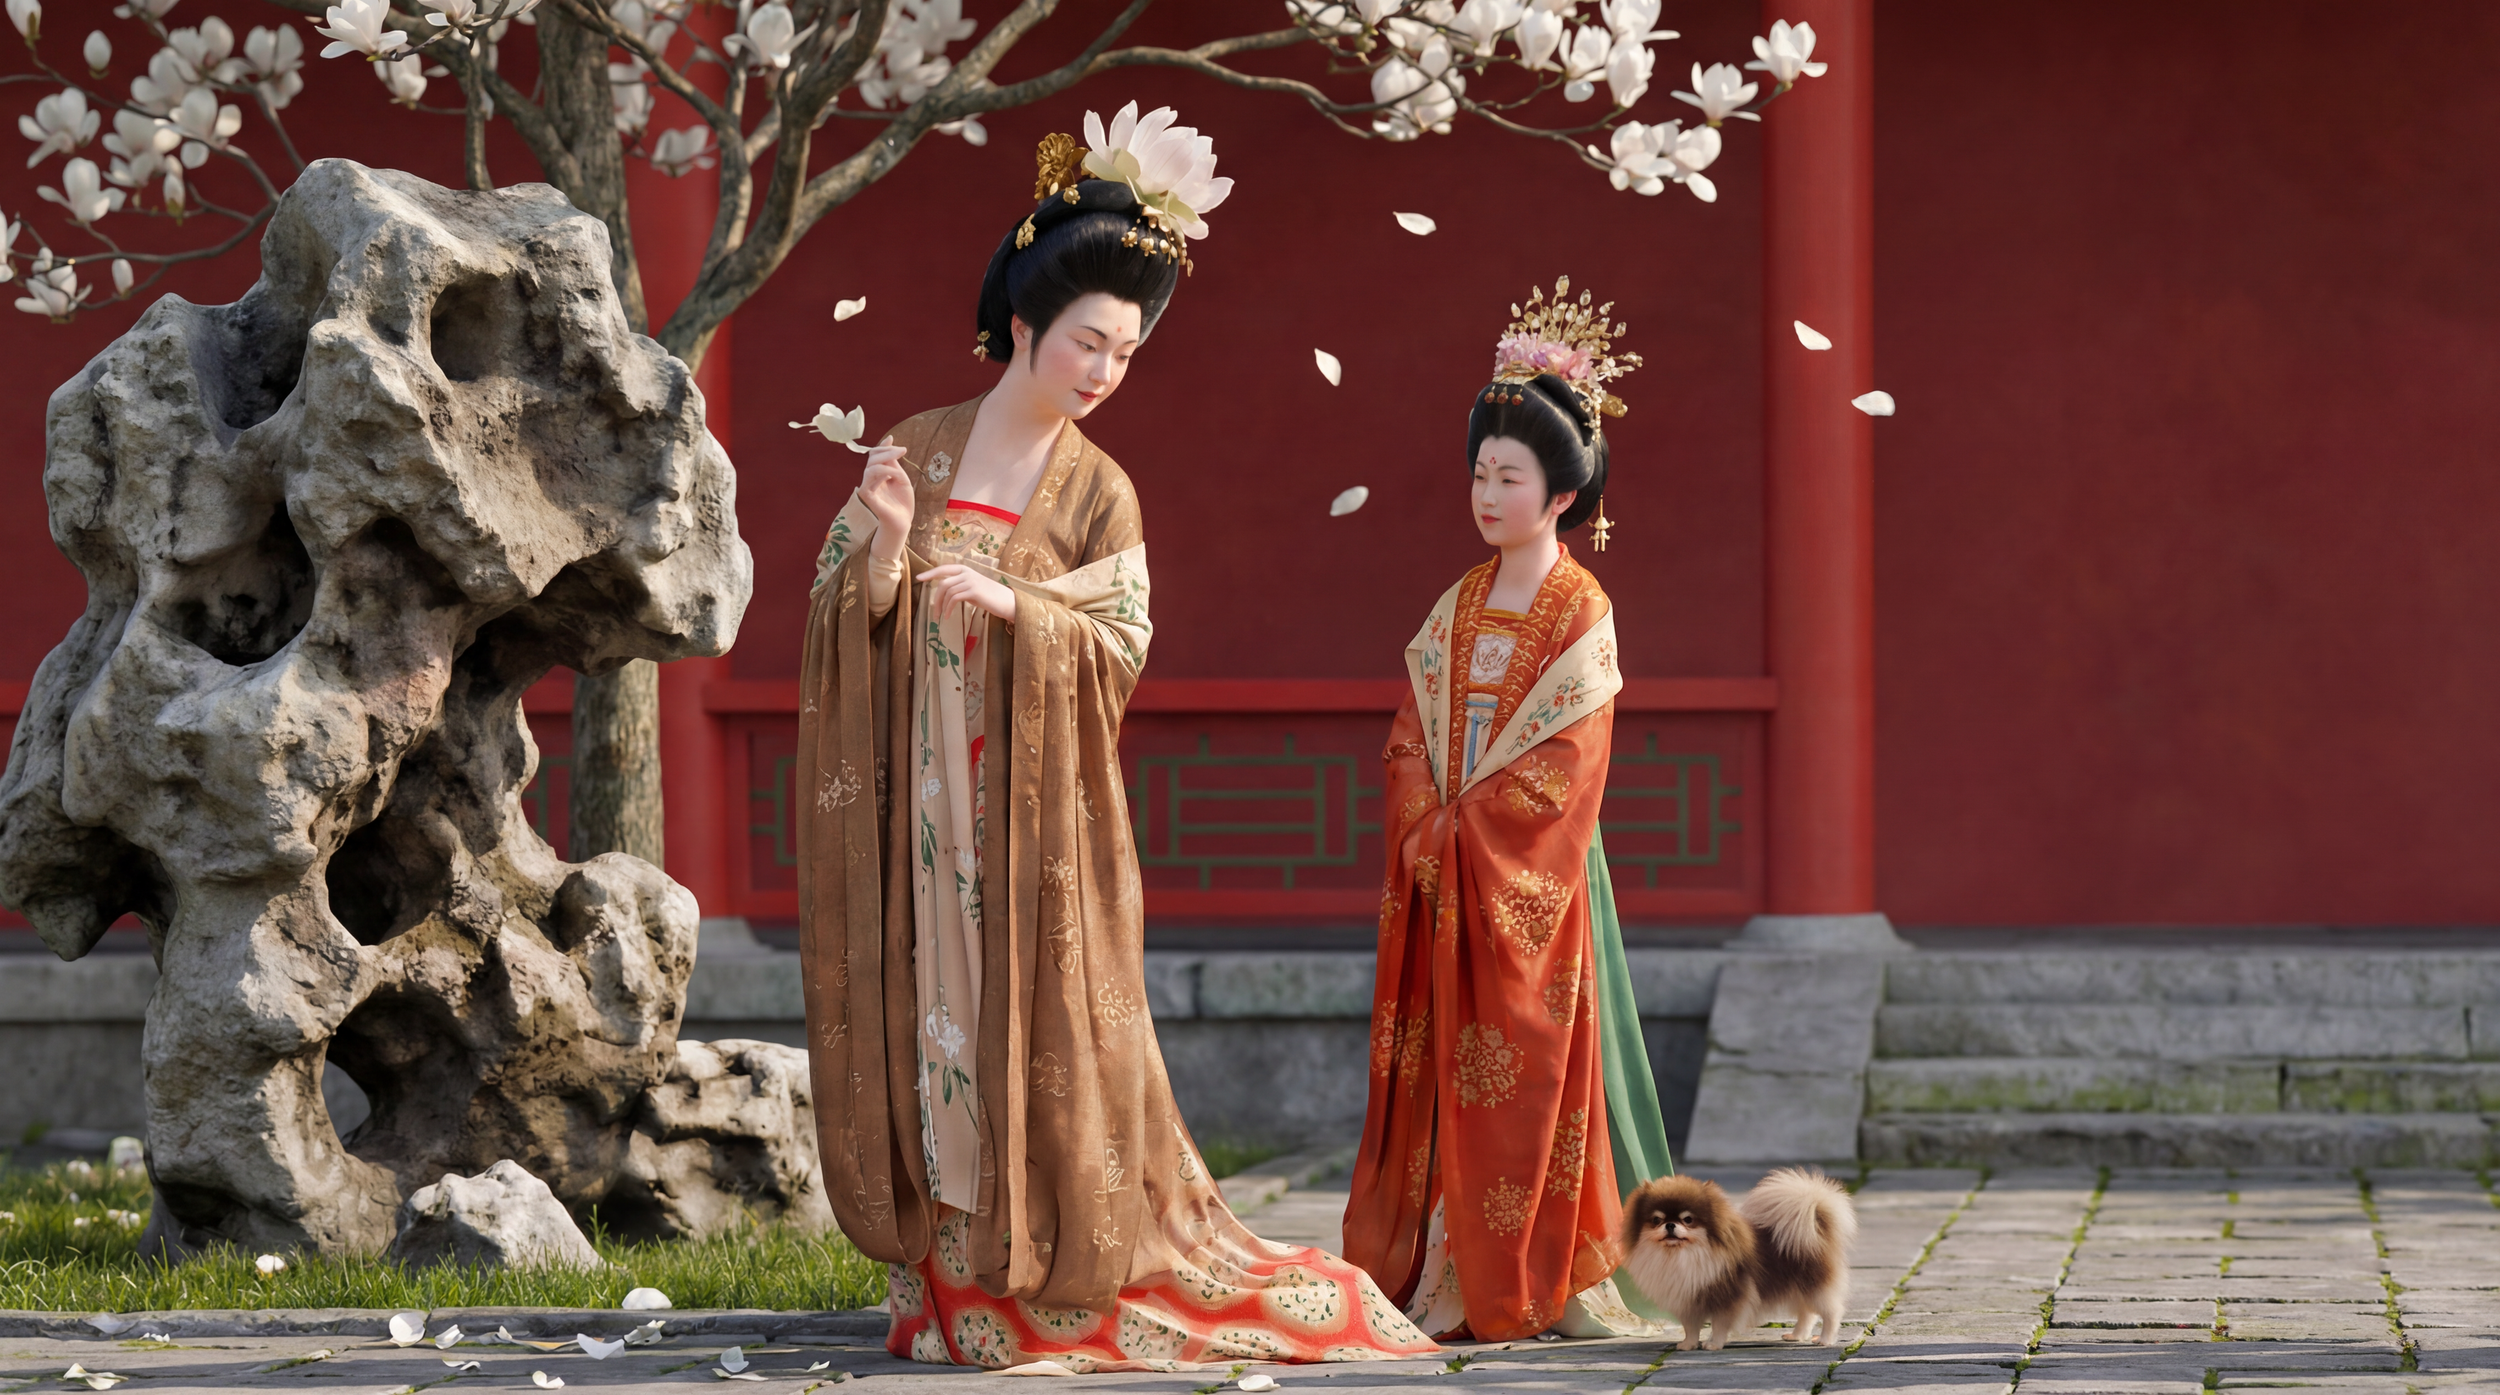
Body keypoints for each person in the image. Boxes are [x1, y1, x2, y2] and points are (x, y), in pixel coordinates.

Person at [794, 104, 1437, 1373]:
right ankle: (954, 1285)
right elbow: (838, 624)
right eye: (1088, 341)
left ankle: (1064, 1285)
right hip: (916, 825)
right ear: (1024, 323)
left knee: (1047, 1037)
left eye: (1125, 355)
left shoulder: (1098, 489)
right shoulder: (917, 450)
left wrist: (1016, 607)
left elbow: (1118, 645)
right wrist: (876, 551)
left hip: (1035, 826)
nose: (1101, 373)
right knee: (931, 1021)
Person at [1340, 278, 1677, 1343]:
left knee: (1530, 1067)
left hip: (1529, 878)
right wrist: (1421, 822)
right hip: (1451, 868)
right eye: (1479, 473)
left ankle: (1535, 1272)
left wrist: (1470, 832)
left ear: (1563, 493)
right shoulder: (1461, 601)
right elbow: (1409, 732)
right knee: (1442, 1069)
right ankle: (1443, 1268)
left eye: (1510, 476)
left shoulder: (1583, 610)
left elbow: (1568, 764)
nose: (1487, 494)